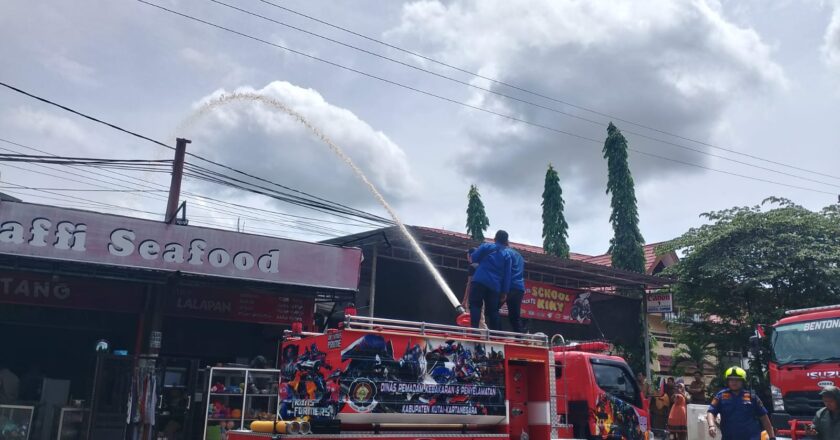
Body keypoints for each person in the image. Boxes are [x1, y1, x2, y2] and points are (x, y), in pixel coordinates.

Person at [706, 366, 775, 440]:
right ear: (727, 381)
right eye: (731, 380)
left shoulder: (752, 397)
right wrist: (711, 426)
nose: (734, 382)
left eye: (737, 380)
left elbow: (764, 417)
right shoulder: (721, 396)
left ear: (743, 381)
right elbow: (711, 412)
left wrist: (772, 437)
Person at [468, 230, 512, 330]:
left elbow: (473, 258)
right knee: (493, 311)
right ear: (506, 241)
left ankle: (474, 330)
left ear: (495, 238)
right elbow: (507, 275)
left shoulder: (486, 246)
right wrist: (504, 292)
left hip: (479, 280)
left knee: (475, 304)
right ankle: (495, 335)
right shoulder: (507, 256)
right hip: (494, 286)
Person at [504, 246, 526, 333]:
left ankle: (496, 333)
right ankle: (519, 336)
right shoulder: (520, 256)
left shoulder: (504, 252)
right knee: (515, 316)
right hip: (519, 287)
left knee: (492, 309)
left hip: (509, 285)